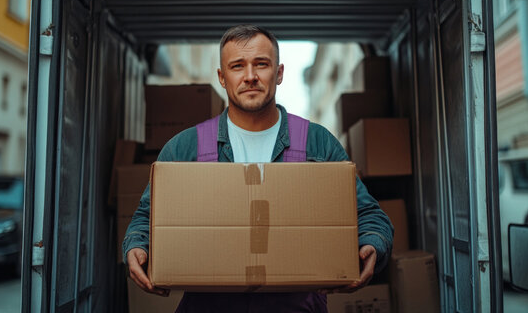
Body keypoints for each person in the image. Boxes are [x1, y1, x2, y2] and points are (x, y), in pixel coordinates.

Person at [123, 24, 393, 312]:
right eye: (237, 66)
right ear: (222, 77)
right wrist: (137, 246)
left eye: (261, 64)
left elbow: (367, 214)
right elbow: (147, 217)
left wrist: (372, 245)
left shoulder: (317, 143)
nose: (250, 76)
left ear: (278, 73)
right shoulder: (185, 148)